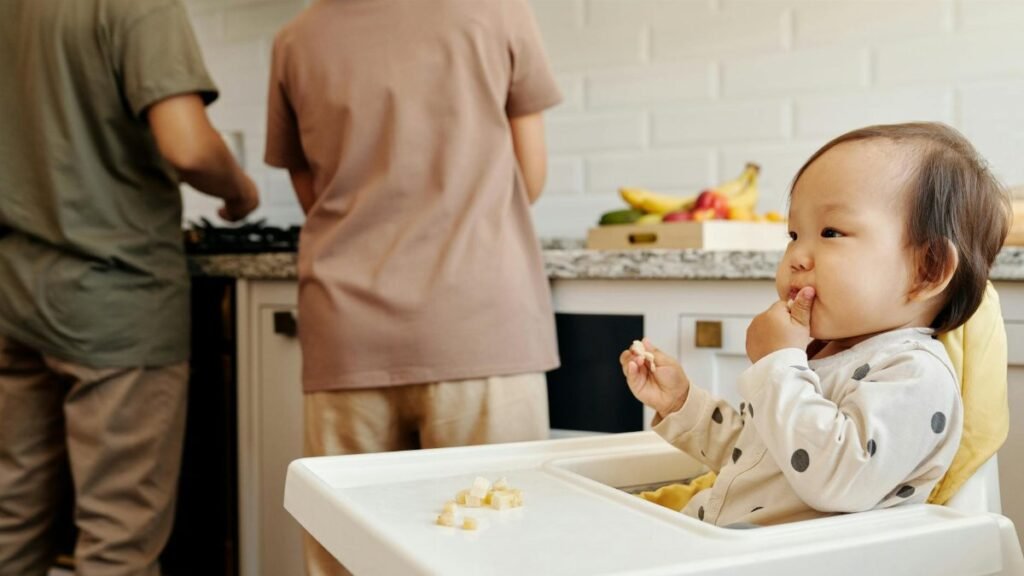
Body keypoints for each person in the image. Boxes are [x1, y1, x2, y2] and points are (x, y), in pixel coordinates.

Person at [264, 0, 561, 572]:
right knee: (495, 551)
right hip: (478, 327)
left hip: (347, 331)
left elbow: (311, 190)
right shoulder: (497, 12)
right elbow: (531, 175)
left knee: (346, 556)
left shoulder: (296, 39)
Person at [621, 122, 1010, 527]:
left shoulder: (915, 375)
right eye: (793, 233)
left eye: (830, 232)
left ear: (927, 269)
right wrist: (683, 404)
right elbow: (760, 459)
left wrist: (778, 365)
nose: (796, 256)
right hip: (720, 544)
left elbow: (836, 478)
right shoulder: (817, 356)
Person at [0, 1, 260, 574]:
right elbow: (187, 145)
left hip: (16, 292)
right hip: (117, 297)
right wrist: (240, 190)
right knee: (118, 540)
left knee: (11, 522)